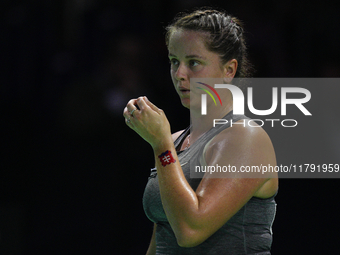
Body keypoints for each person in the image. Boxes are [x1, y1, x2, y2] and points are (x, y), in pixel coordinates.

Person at [123, 8, 278, 255]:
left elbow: (190, 231)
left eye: (193, 62)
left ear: (229, 70)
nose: (180, 74)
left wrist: (161, 145)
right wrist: (164, 144)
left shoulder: (247, 138)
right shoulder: (174, 142)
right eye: (175, 61)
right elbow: (163, 239)